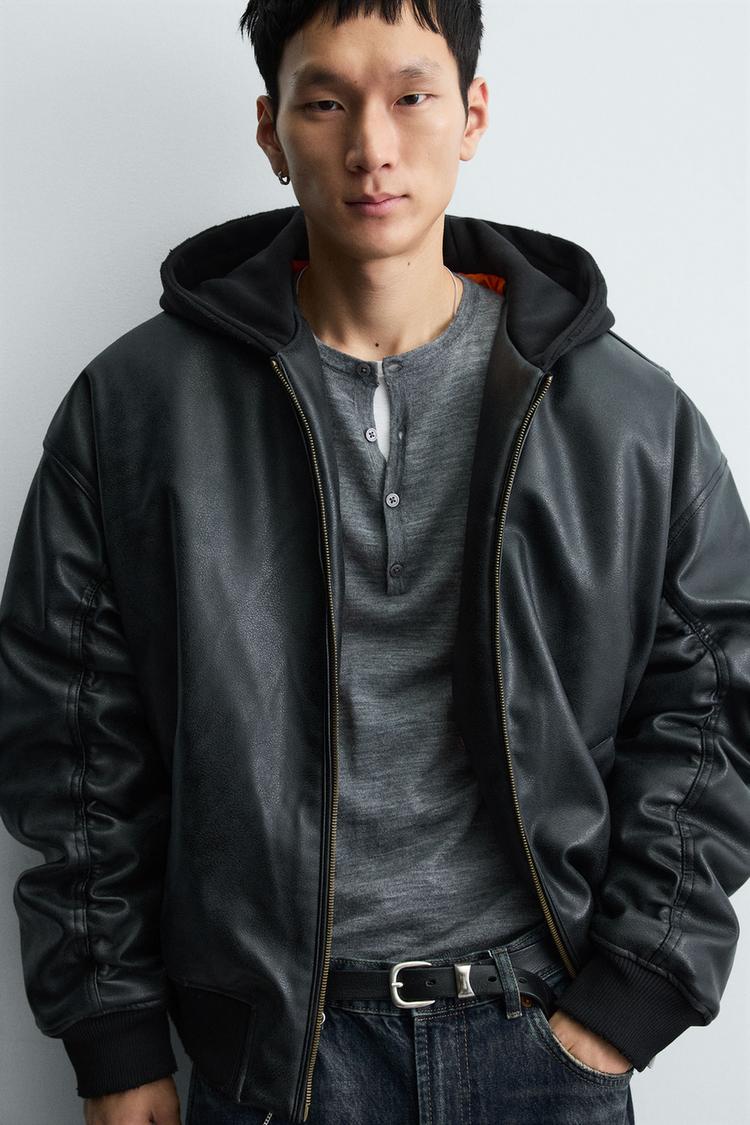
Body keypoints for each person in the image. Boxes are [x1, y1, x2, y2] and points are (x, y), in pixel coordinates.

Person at [0, 1, 749, 1122]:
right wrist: (114, 1036)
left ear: (472, 114)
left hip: (541, 1040)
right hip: (275, 1062)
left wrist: (633, 992)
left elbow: (716, 703)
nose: (372, 145)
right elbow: (70, 739)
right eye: (325, 102)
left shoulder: (625, 415)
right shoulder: (138, 408)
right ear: (270, 128)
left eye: (411, 95)